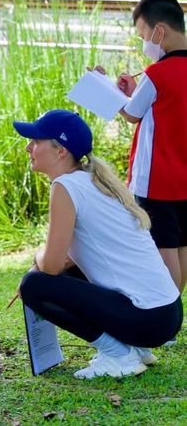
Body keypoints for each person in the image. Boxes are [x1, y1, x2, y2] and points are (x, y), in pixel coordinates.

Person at [14, 109, 182, 379]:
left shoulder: (66, 186)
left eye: (36, 141)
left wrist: (36, 260)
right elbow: (69, 261)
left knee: (34, 285)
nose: (28, 147)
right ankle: (134, 348)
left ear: (60, 151)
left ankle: (120, 356)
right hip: (167, 314)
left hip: (148, 318)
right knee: (63, 275)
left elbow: (52, 265)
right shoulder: (93, 180)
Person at [94, 0, 187, 293]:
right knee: (183, 244)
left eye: (143, 35)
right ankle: (176, 310)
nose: (144, 43)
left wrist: (105, 87)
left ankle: (167, 312)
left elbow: (132, 114)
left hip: (157, 182)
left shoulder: (156, 73)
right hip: (184, 180)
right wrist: (135, 89)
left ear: (159, 31)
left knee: (163, 248)